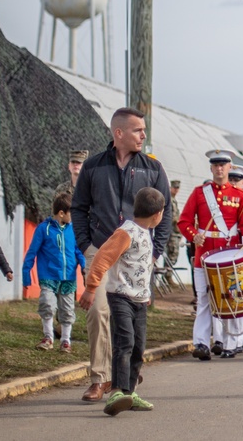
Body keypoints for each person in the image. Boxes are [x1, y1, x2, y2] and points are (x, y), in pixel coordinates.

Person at [71, 107, 173, 402]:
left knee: (130, 319)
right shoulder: (92, 167)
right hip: (101, 251)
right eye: (137, 129)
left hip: (136, 257)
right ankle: (99, 379)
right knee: (99, 312)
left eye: (143, 129)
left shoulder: (153, 168)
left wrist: (155, 250)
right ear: (119, 133)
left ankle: (123, 375)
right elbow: (79, 208)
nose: (143, 134)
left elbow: (165, 214)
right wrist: (86, 245)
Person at [79, 187, 165, 416]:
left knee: (138, 346)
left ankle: (130, 391)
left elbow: (141, 268)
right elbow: (102, 258)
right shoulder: (126, 232)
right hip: (120, 297)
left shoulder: (145, 231)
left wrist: (145, 294)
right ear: (157, 214)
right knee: (124, 342)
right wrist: (90, 288)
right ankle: (116, 391)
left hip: (139, 300)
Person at [177, 149, 243, 359]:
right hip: (204, 254)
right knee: (203, 300)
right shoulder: (199, 192)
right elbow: (184, 221)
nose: (219, 169)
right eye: (216, 165)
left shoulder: (240, 195)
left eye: (223, 165)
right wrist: (194, 236)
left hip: (229, 255)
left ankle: (230, 344)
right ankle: (201, 343)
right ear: (211, 168)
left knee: (230, 298)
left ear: (229, 168)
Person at [22, 193, 85, 352]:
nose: (74, 216)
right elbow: (32, 252)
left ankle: (65, 341)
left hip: (68, 278)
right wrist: (26, 273)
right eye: (72, 212)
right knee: (47, 305)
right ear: (62, 213)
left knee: (67, 310)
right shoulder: (44, 229)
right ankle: (48, 337)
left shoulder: (73, 230)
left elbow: (78, 251)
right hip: (49, 277)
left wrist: (85, 267)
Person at [164, 180, 182, 287]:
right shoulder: (169, 200)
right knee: (172, 253)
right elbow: (171, 217)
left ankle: (167, 276)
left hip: (174, 231)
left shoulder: (174, 200)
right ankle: (167, 277)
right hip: (171, 231)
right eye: (174, 187)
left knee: (173, 254)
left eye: (177, 188)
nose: (176, 190)